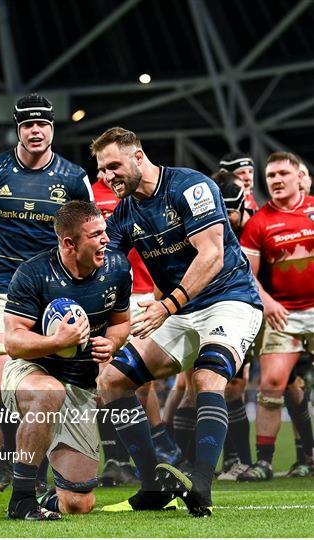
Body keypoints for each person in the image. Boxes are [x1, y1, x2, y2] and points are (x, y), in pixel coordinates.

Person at [90, 127, 263, 517]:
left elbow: (212, 255)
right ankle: (155, 485)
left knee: (207, 377)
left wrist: (167, 305)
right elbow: (107, 267)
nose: (108, 176)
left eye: (114, 165)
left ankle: (201, 484)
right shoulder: (123, 215)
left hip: (230, 299)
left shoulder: (191, 187)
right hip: (179, 311)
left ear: (138, 157)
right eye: (102, 169)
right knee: (111, 381)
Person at [0, 94, 93, 492]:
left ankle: (39, 470)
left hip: (56, 294)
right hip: (4, 290)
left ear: (52, 127)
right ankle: (8, 459)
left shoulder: (74, 178)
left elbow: (91, 235)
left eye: (43, 123)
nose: (36, 131)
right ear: (18, 128)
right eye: (28, 124)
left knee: (49, 382)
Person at [1, 201, 132, 520]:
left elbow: (121, 323)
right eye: (96, 234)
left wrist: (111, 343)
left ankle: (48, 495)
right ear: (69, 243)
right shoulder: (34, 273)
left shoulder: (116, 268)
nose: (106, 239)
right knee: (49, 393)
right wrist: (56, 342)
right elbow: (13, 341)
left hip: (80, 385)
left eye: (105, 232)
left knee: (78, 504)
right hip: (32, 371)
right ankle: (21, 498)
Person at [92, 173, 181, 487]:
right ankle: (116, 458)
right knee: (103, 376)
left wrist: (160, 290)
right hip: (107, 295)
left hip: (144, 292)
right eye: (105, 164)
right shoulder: (88, 193)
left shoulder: (142, 193)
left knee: (138, 377)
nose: (110, 171)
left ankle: (159, 440)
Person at [238, 151, 314, 481]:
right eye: (270, 176)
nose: (277, 180)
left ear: (301, 177)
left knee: (297, 389)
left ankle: (304, 458)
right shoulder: (259, 223)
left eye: (283, 173)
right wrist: (267, 301)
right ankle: (264, 462)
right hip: (284, 313)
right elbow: (248, 273)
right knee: (271, 383)